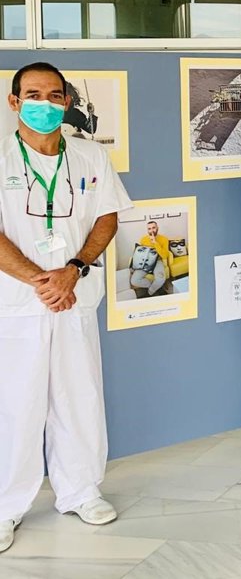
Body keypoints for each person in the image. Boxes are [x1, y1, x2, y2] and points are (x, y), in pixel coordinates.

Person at [0, 62, 132, 554]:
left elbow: (107, 217)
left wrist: (72, 270)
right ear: (14, 102)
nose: (45, 103)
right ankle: (5, 507)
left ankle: (80, 490)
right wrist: (43, 280)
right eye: (33, 94)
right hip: (17, 306)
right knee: (15, 406)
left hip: (74, 300)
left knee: (79, 397)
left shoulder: (90, 155)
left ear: (68, 102)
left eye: (55, 95)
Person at [128, 220, 172, 298]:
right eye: (149, 229)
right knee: (134, 281)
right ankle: (156, 287)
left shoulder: (164, 239)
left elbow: (165, 255)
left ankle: (150, 292)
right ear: (147, 230)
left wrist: (155, 243)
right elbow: (140, 253)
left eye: (153, 228)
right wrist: (135, 264)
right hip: (145, 262)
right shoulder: (143, 239)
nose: (152, 230)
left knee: (161, 279)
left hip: (157, 261)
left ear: (157, 228)